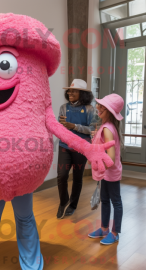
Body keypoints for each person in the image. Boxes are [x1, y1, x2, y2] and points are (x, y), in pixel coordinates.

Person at [88, 93, 124, 245]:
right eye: (99, 105)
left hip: (110, 173)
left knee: (115, 201)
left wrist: (98, 166)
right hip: (106, 173)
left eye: (102, 107)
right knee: (104, 200)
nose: (98, 108)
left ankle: (114, 233)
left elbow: (111, 157)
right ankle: (104, 229)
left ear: (109, 111)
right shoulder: (106, 127)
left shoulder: (107, 129)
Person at [57, 79, 96, 219]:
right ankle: (63, 202)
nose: (70, 92)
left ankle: (73, 205)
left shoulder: (90, 109)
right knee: (61, 176)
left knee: (77, 178)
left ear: (82, 93)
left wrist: (74, 126)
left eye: (73, 90)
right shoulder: (63, 107)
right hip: (64, 146)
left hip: (81, 147)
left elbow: (93, 129)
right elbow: (59, 126)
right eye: (69, 90)